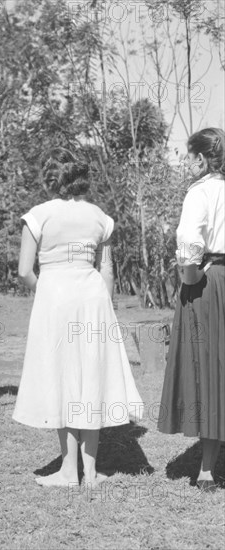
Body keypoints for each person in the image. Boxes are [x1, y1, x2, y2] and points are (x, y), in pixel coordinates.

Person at [12, 147, 144, 488]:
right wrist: (105, 305)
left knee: (62, 377)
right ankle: (91, 471)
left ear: (51, 178)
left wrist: (47, 290)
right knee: (90, 377)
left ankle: (69, 471)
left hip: (56, 298)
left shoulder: (38, 215)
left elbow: (25, 270)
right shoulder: (100, 216)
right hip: (93, 298)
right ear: (80, 176)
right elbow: (108, 270)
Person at [158, 127, 225, 492]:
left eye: (189, 156)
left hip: (210, 283)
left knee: (210, 368)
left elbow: (187, 244)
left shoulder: (200, 192)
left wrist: (190, 277)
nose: (187, 162)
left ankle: (205, 470)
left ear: (201, 159)